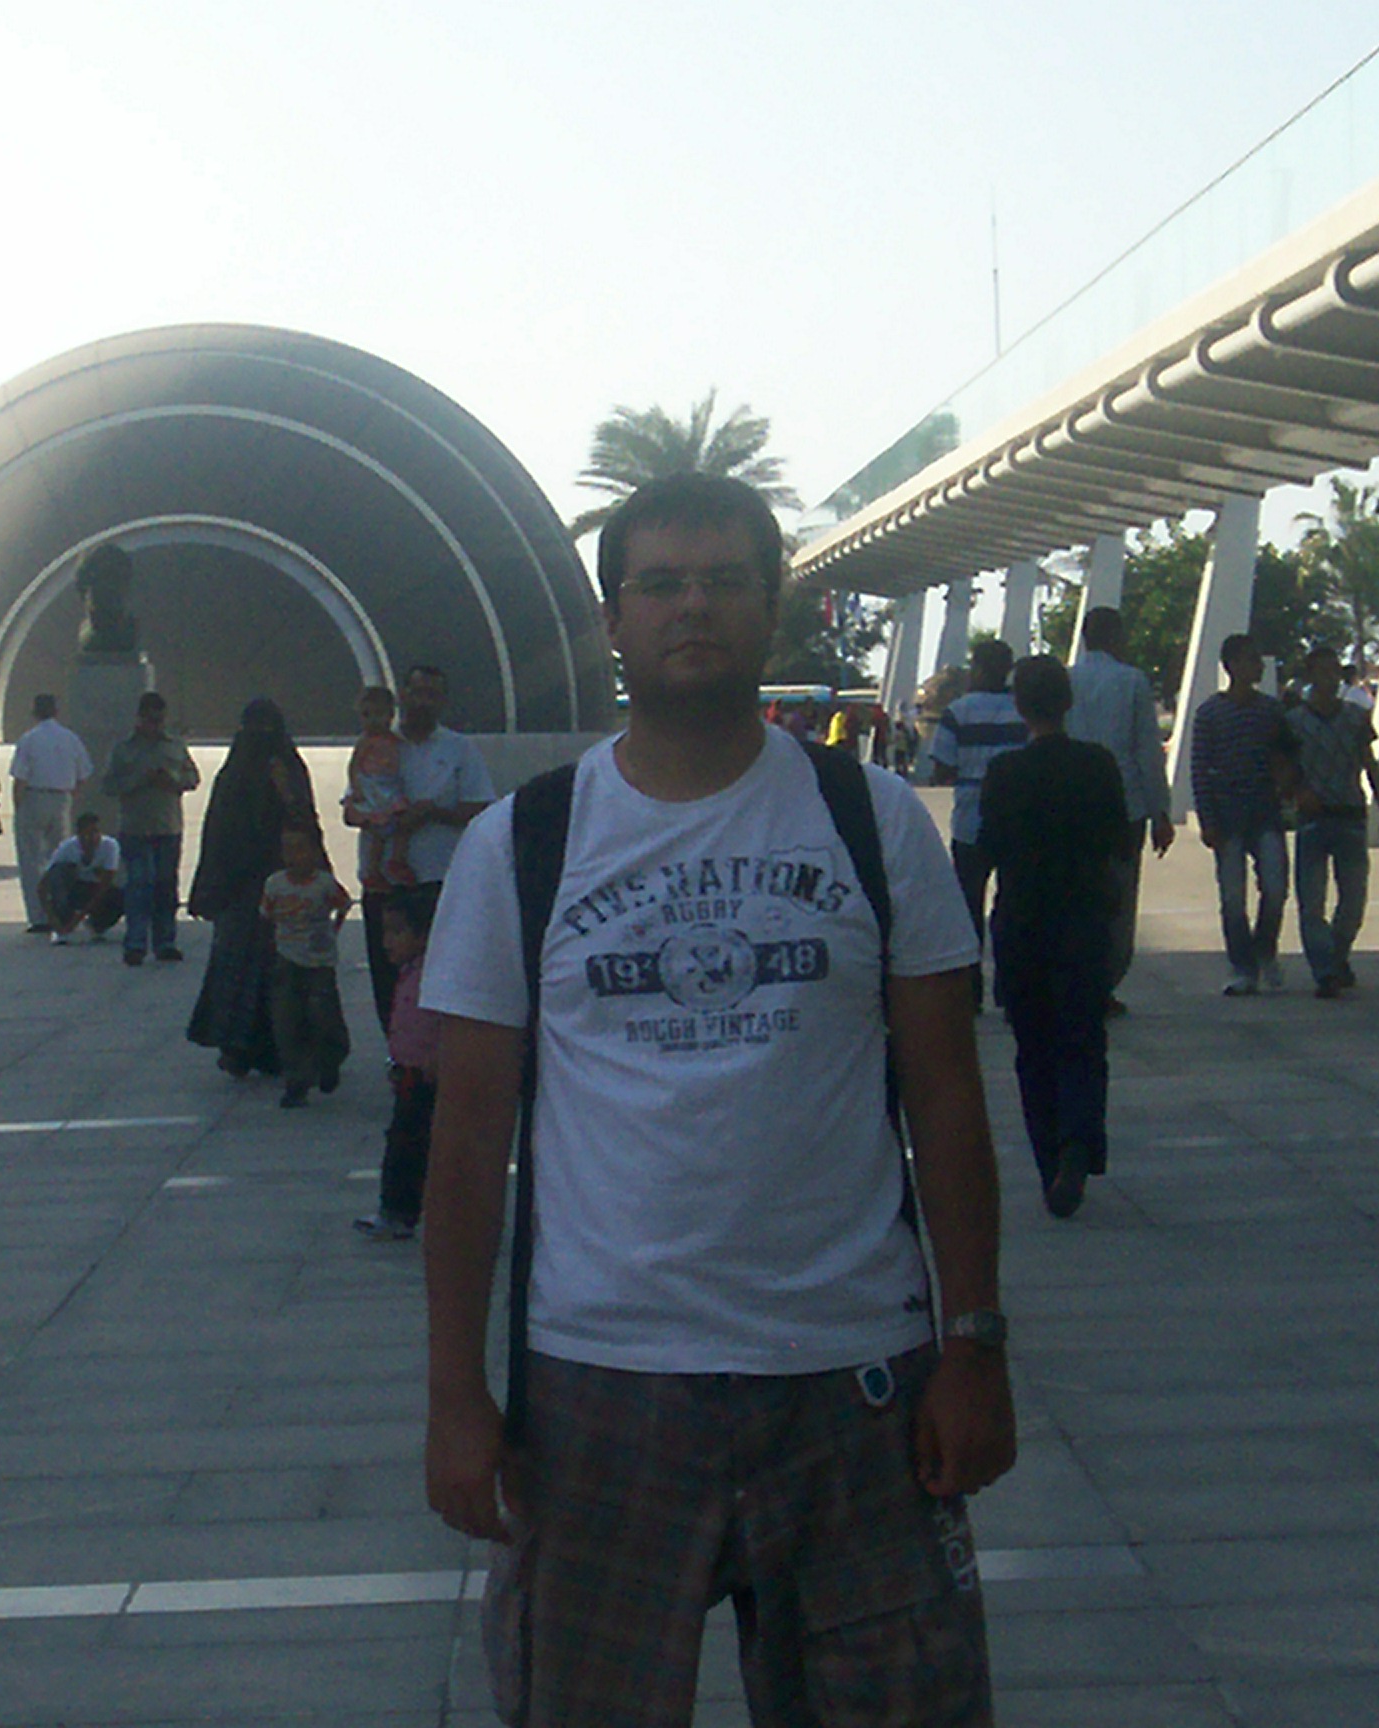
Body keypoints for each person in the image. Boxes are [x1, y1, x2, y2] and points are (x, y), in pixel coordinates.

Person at [420, 473, 1012, 1726]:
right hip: (601, 1386)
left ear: (772, 608)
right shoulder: (522, 844)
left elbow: (947, 1095)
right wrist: (455, 1394)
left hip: (851, 1373)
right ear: (613, 620)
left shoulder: (871, 819)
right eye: (661, 585)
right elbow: (467, 1142)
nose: (694, 608)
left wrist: (973, 1345)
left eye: (725, 581)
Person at [979, 655, 1126, 1218]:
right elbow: (1118, 839)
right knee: (1083, 1039)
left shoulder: (1004, 773)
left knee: (1033, 1047)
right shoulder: (1098, 765)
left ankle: (1049, 1160)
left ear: (1020, 707)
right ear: (1068, 702)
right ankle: (1079, 1141)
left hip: (1023, 923)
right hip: (1083, 919)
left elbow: (988, 847)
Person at [351, 663, 493, 1033]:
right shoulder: (378, 743)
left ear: (443, 701)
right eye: (417, 692)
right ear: (402, 696)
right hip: (385, 883)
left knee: (439, 976)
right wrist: (383, 816)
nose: (424, 702)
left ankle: (434, 1053)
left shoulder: (459, 749)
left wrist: (433, 813)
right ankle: (397, 1052)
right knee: (387, 979)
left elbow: (480, 808)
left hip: (436, 882)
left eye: (433, 694)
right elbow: (354, 803)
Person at [187, 698, 317, 1077]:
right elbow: (217, 833)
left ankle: (277, 1044)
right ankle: (238, 1046)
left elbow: (304, 820)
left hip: (279, 883)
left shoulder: (283, 770)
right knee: (239, 968)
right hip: (240, 889)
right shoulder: (235, 775)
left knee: (280, 969)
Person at [1066, 606, 1175, 1015]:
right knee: (1119, 898)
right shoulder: (1132, 681)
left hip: (1073, 806)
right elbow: (1147, 750)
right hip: (1124, 806)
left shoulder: (1066, 679)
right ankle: (1105, 980)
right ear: (1117, 637)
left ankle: (1077, 979)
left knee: (1077, 897)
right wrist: (1160, 811)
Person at [1287, 645, 1379, 995]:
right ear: (1310, 676)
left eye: (1335, 671)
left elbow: (1370, 764)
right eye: (1323, 672)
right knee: (1311, 902)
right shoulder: (1293, 721)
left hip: (1350, 814)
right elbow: (1281, 767)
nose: (1330, 679)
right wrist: (1296, 791)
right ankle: (1325, 971)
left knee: (1353, 900)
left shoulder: (1354, 717)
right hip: (1312, 818)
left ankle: (1336, 954)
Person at [1191, 633, 1296, 996]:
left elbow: (1288, 754)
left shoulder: (1271, 711)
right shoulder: (1209, 714)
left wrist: (1287, 787)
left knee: (1276, 887)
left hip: (1266, 811)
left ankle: (1265, 949)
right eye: (1251, 659)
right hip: (1227, 816)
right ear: (1232, 665)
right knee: (1233, 898)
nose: (1259, 666)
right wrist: (1207, 819)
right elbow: (1199, 769)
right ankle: (1242, 966)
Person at [929, 639, 1027, 1009]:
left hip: (970, 822)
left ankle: (971, 990)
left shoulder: (958, 712)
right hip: (1016, 822)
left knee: (968, 908)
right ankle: (1011, 983)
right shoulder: (1022, 710)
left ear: (980, 670)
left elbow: (943, 768)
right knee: (1012, 906)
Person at [356, 893, 438, 1241]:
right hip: (408, 1074)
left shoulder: (434, 976)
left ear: (424, 935)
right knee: (402, 1142)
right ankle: (396, 1210)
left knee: (412, 1146)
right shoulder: (408, 972)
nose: (387, 941)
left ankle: (401, 1211)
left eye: (397, 932)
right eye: (385, 932)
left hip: (428, 1076)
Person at [100, 690, 201, 966]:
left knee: (166, 887)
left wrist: (172, 779)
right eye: (149, 720)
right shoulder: (123, 749)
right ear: (139, 718)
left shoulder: (175, 746)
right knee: (138, 886)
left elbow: (193, 778)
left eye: (159, 720)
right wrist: (139, 779)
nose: (154, 725)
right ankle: (135, 944)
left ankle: (165, 942)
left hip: (167, 826)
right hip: (135, 828)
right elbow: (109, 785)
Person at [261, 824, 352, 1107]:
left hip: (319, 962)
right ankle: (296, 1080)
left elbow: (344, 904)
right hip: (287, 958)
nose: (294, 856)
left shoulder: (323, 884)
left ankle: (329, 1059)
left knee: (323, 1014)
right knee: (287, 1019)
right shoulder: (275, 884)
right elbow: (267, 915)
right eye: (287, 850)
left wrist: (331, 933)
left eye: (300, 849)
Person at [9, 693, 93, 933]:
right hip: (62, 799)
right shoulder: (70, 738)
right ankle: (61, 910)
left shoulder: (29, 739)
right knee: (61, 859)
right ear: (57, 711)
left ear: (34, 712)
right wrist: (70, 797)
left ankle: (39, 916)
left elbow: (20, 778)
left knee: (31, 860)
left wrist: (19, 807)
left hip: (34, 797)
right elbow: (84, 774)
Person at [342, 685, 413, 889]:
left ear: (390, 715)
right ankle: (373, 869)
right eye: (366, 715)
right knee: (377, 829)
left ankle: (397, 859)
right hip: (373, 786)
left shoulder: (396, 741)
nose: (372, 720)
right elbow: (354, 765)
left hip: (388, 785)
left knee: (402, 821)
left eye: (378, 714)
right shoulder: (365, 741)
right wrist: (357, 788)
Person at [41, 810, 123, 945]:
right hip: (73, 889)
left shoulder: (110, 846)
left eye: (96, 832)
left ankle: (97, 924)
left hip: (95, 890)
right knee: (59, 873)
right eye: (87, 833)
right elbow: (43, 887)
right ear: (78, 834)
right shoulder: (67, 848)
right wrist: (52, 919)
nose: (92, 838)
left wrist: (78, 919)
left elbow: (105, 885)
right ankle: (62, 924)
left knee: (120, 896)